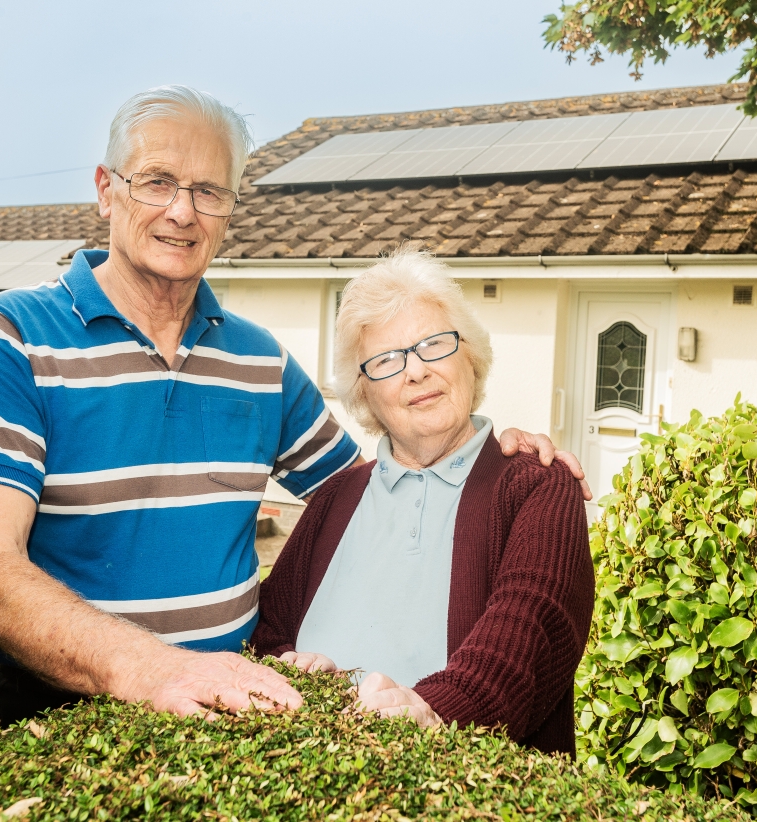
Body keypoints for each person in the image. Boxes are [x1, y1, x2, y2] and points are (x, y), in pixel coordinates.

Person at [0, 85, 590, 730]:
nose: (182, 210)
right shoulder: (13, 335)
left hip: (232, 718)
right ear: (106, 189)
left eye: (209, 190)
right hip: (59, 712)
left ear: (229, 208)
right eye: (157, 181)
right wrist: (159, 670)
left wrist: (513, 457)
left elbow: (377, 487)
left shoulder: (261, 363)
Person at [251, 249, 594, 756]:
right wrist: (296, 671)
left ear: (470, 356)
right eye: (387, 360)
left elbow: (525, 643)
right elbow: (266, 633)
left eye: (434, 344)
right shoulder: (334, 498)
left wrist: (428, 712)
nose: (415, 372)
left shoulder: (537, 487)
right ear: (365, 393)